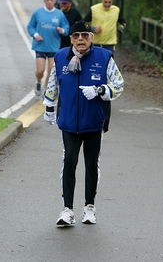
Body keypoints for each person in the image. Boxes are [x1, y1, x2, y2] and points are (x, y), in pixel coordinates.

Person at [43, 21, 124, 226]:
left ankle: (89, 208)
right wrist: (49, 106)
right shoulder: (61, 57)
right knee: (69, 162)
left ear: (92, 38)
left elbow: (118, 85)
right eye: (76, 35)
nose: (81, 39)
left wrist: (100, 90)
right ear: (71, 39)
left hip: (93, 122)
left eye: (85, 35)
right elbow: (53, 82)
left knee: (91, 165)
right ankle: (67, 210)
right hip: (69, 121)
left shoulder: (104, 57)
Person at [27, 0, 70, 96]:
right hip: (40, 46)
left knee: (51, 70)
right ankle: (38, 82)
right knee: (40, 70)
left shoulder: (59, 14)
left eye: (51, 0)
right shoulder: (38, 12)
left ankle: (46, 89)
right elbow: (30, 26)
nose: (49, 2)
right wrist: (35, 35)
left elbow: (66, 27)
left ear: (55, 2)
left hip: (54, 47)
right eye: (47, 0)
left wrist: (62, 30)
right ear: (44, 1)